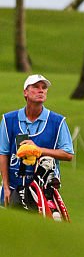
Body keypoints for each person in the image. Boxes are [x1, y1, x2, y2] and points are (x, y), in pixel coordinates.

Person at [1, 75, 74, 208]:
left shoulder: (57, 122)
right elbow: (3, 153)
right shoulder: (8, 120)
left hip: (44, 192)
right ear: (25, 92)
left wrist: (39, 150)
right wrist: (5, 187)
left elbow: (68, 154)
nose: (41, 90)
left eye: (44, 87)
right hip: (12, 189)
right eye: (35, 87)